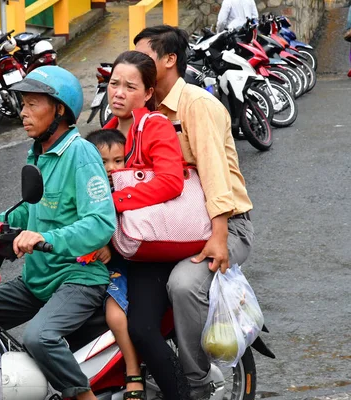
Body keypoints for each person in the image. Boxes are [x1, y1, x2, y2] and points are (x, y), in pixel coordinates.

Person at [0, 66, 116, 400]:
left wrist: (45, 239)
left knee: (40, 337)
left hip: (78, 277)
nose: (23, 112)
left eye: (32, 104)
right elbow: (31, 208)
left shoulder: (79, 154)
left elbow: (100, 222)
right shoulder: (39, 154)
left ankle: (82, 396)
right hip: (37, 279)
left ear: (59, 110)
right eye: (22, 104)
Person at [134, 26, 254, 400]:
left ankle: (197, 384)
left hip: (224, 225)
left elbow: (215, 173)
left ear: (170, 60)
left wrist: (220, 237)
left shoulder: (197, 105)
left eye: (144, 57)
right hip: (169, 228)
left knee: (183, 285)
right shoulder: (145, 106)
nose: (137, 64)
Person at [99, 50, 190, 400]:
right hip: (113, 245)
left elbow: (171, 181)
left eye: (129, 86)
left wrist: (117, 201)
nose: (118, 92)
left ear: (148, 93)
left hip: (149, 248)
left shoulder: (154, 125)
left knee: (143, 327)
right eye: (113, 84)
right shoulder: (106, 133)